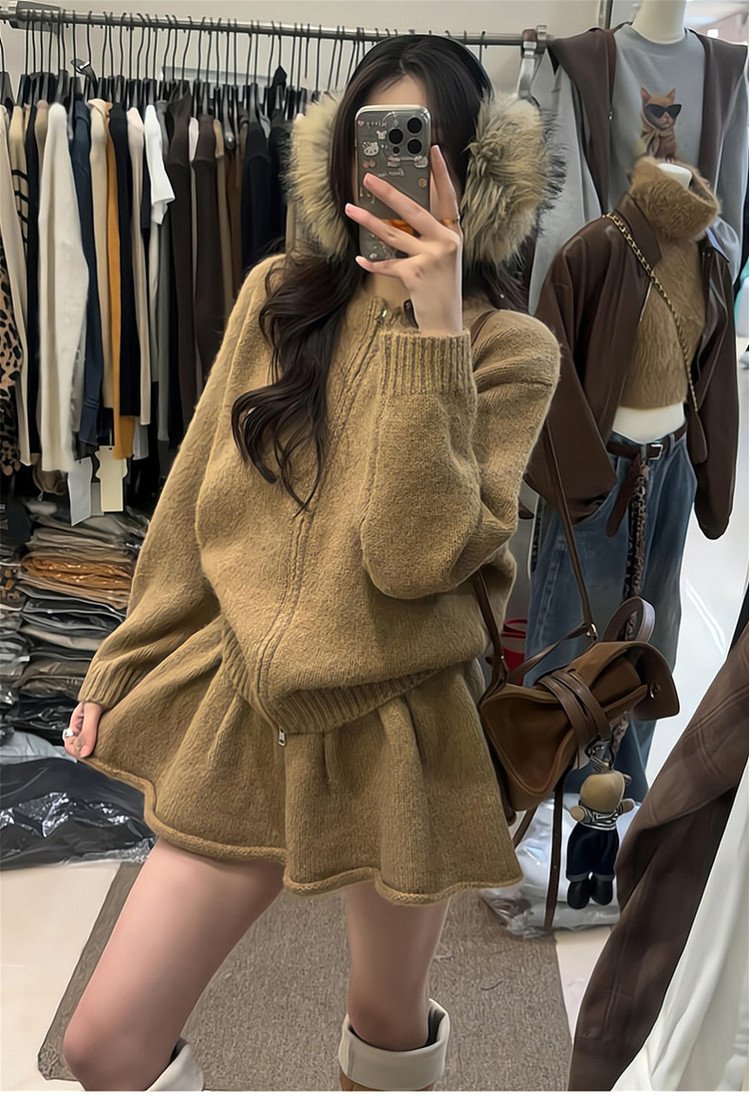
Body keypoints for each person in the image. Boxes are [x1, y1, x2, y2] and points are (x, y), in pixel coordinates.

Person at [59, 34, 560, 1092]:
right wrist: (121, 656)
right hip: (245, 702)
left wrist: (432, 332)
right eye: (373, 143)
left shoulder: (511, 351)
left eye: (418, 145)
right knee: (103, 1043)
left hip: (402, 728)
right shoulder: (277, 296)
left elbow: (414, 557)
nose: (390, 173)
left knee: (385, 1028)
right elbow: (192, 502)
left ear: (470, 171)